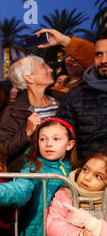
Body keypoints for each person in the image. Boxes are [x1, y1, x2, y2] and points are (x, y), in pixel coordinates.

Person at [39, 27, 107, 161]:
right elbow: (59, 136)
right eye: (98, 54)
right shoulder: (75, 95)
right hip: (86, 175)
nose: (104, 59)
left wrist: (65, 41)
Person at [0, 55, 65, 172]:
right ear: (29, 77)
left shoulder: (63, 102)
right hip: (32, 178)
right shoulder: (13, 111)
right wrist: (26, 133)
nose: (50, 69)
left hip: (64, 174)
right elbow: (1, 150)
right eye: (43, 66)